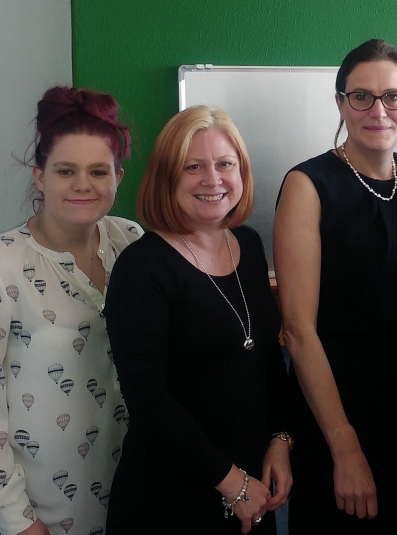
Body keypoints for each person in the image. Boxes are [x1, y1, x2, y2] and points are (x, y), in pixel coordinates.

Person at [273, 39, 397, 534]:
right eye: (361, 96)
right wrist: (344, 445)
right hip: (338, 403)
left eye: (393, 96)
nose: (379, 110)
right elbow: (299, 331)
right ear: (340, 103)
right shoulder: (308, 185)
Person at [104, 106, 291, 534]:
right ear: (167, 176)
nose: (213, 179)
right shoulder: (142, 266)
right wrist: (232, 484)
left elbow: (264, 360)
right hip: (172, 494)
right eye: (193, 167)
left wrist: (280, 441)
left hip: (253, 489)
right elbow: (149, 402)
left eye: (225, 164)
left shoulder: (247, 244)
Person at [0, 86, 142, 534]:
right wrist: (17, 519)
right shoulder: (6, 264)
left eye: (99, 170)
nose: (84, 185)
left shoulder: (132, 243)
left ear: (119, 175)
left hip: (133, 492)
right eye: (66, 171)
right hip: (43, 510)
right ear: (39, 175)